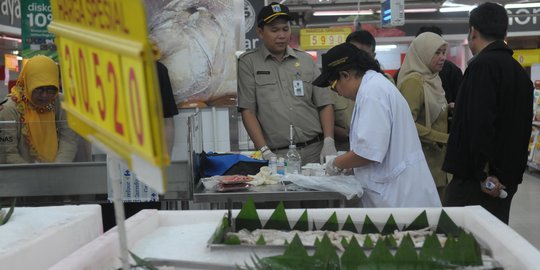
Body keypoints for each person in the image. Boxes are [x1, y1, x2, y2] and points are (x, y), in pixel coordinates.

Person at [316, 42, 441, 208]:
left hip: (399, 196)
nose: (336, 92)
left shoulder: (372, 93)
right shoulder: (372, 87)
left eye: (333, 85)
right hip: (394, 189)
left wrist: (336, 164)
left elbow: (367, 153)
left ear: (345, 75)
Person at [443, 2, 533, 224]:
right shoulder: (519, 72)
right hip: (505, 183)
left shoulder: (482, 66)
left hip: (478, 182)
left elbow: (480, 124)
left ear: (473, 30)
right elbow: (521, 127)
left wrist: (484, 173)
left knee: (458, 244)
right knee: (492, 243)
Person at [237, 2, 336, 164]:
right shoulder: (248, 63)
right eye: (274, 30)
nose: (281, 35)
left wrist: (329, 141)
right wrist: (264, 150)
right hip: (278, 155)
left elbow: (324, 103)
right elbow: (248, 110)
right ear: (260, 32)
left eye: (285, 29)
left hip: (315, 151)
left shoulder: (305, 60)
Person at [397, 32, 449, 200]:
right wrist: (443, 138)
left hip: (438, 161)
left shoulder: (434, 79)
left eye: (443, 52)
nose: (442, 57)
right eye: (437, 52)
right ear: (423, 53)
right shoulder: (414, 82)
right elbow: (406, 124)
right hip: (422, 161)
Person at [0, 55, 78, 164]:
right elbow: (8, 154)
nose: (45, 95)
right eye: (38, 89)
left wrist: (57, 169)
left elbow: (69, 140)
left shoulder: (60, 102)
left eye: (51, 89)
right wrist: (36, 175)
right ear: (28, 83)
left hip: (56, 174)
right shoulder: (9, 109)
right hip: (21, 175)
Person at [332, 30, 393, 151]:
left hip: (373, 151)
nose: (358, 60)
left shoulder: (380, 84)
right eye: (354, 54)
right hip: (344, 149)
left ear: (373, 56)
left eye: (364, 55)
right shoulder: (336, 82)